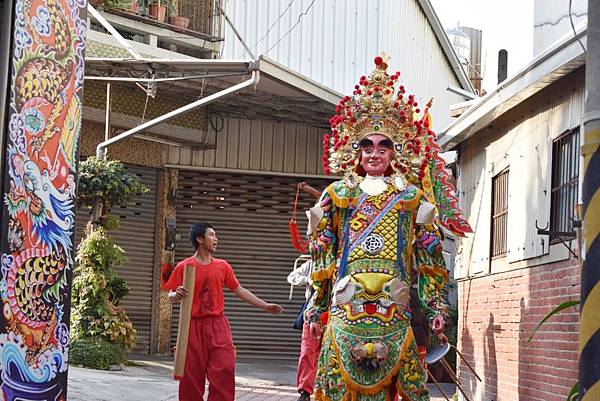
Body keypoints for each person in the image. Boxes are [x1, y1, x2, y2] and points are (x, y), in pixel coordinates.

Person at [304, 55, 471, 401]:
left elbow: (430, 259)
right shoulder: (337, 196)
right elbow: (323, 251)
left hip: (394, 309)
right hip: (346, 307)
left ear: (396, 152)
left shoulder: (412, 199)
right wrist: (317, 306)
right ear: (356, 150)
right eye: (367, 145)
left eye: (384, 145)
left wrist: (437, 309)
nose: (375, 153)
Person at [167, 222, 284, 401]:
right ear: (199, 239)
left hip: (217, 325)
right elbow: (169, 295)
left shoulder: (222, 266)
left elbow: (240, 290)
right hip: (192, 328)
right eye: (211, 235)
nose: (216, 239)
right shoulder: (185, 266)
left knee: (225, 369)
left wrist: (264, 305)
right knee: (191, 377)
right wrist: (177, 295)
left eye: (215, 235)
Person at [289, 182, 323, 401]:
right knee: (308, 350)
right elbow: (292, 277)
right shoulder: (312, 262)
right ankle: (305, 390)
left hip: (337, 306)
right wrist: (309, 278)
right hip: (314, 305)